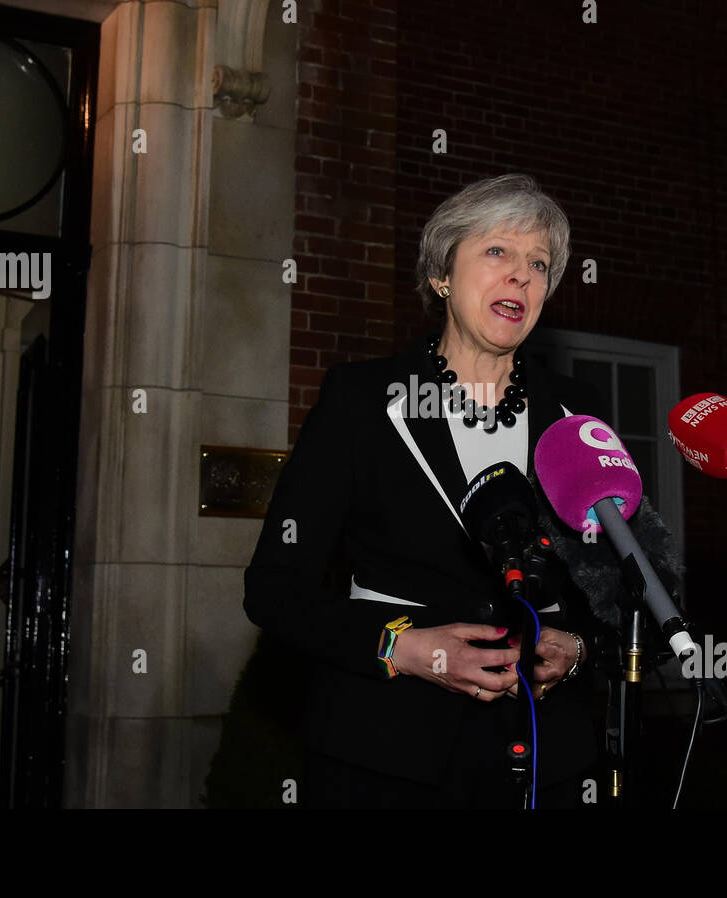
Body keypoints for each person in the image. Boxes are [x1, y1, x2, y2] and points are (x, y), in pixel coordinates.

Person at [244, 173, 606, 809]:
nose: (521, 274)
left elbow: (630, 587)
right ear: (442, 274)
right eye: (497, 251)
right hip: (386, 750)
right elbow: (274, 588)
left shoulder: (578, 416)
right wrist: (402, 646)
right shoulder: (360, 401)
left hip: (546, 755)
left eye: (539, 263)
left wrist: (578, 649)